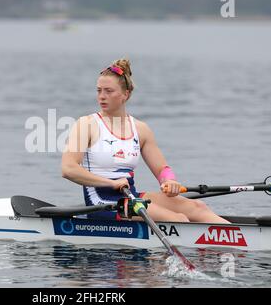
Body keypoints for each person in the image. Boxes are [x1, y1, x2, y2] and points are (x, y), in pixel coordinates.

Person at [61, 58, 229, 223]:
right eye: (99, 91)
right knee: (178, 219)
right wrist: (110, 184)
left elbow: (163, 169)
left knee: (198, 207)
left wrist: (169, 181)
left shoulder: (141, 129)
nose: (102, 97)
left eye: (108, 91)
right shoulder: (86, 125)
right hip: (102, 203)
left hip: (130, 197)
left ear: (126, 94)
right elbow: (68, 169)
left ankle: (238, 244)